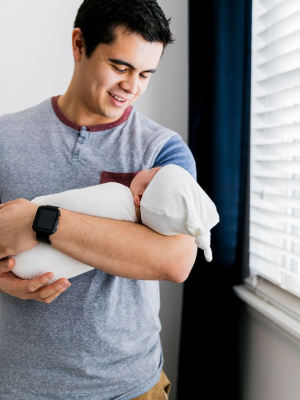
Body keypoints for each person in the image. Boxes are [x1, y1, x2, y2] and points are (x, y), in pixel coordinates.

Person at [0, 1, 199, 399]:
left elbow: (176, 261)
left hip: (128, 388)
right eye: (120, 67)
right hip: (18, 385)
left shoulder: (163, 154)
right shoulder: (6, 138)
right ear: (79, 44)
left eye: (145, 74)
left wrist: (40, 220)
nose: (132, 86)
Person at [11, 164, 219, 284]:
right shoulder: (7, 132)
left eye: (150, 171)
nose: (146, 169)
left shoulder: (167, 147)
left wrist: (34, 219)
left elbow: (177, 265)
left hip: (127, 355)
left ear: (139, 197)